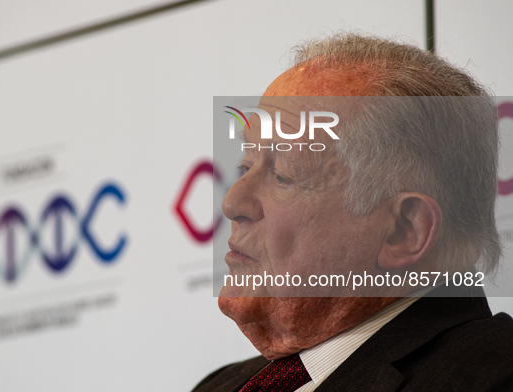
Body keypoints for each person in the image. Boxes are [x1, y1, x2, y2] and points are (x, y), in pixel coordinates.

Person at [193, 33, 513, 392]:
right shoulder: (220, 386)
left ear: (403, 230)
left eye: (282, 175)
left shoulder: (493, 377)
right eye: (245, 165)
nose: (232, 202)